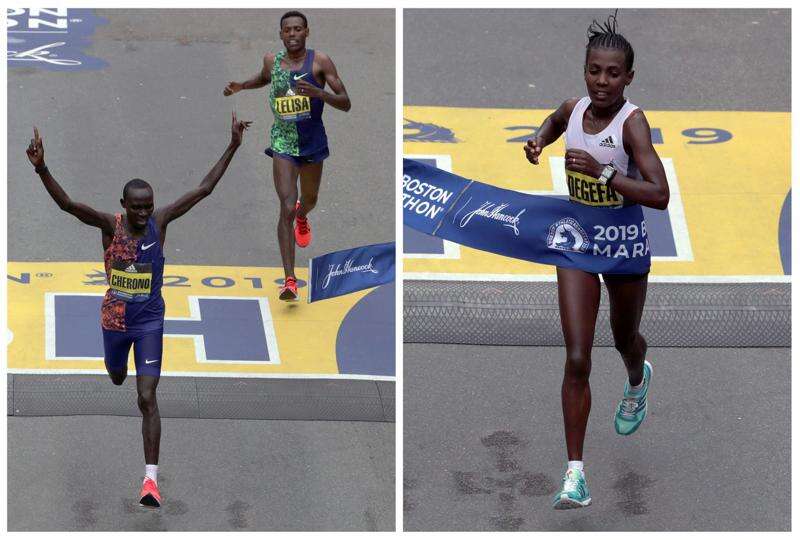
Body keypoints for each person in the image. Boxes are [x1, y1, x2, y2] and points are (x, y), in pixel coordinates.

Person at [26, 113, 252, 508]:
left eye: (148, 205)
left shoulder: (161, 222)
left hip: (149, 321)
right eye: (137, 207)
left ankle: (150, 481)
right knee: (117, 378)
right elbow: (66, 205)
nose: (145, 212)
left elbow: (203, 190)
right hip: (115, 320)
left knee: (146, 397)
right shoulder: (107, 225)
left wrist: (232, 145)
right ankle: (116, 365)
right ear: (123, 206)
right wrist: (42, 167)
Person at [523, 12, 669, 510]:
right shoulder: (574, 107)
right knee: (578, 356)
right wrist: (539, 140)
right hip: (579, 241)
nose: (601, 81)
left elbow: (660, 194)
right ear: (584, 71)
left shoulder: (633, 124)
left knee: (623, 339)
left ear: (629, 77)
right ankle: (575, 476)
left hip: (624, 243)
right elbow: (556, 120)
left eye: (612, 74)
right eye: (593, 71)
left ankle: (637, 378)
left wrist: (606, 175)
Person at [223, 10, 351, 301]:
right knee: (285, 207)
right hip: (282, 143)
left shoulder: (320, 62)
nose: (292, 34)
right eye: (287, 30)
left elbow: (346, 103)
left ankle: (303, 216)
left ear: (307, 32)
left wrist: (320, 94)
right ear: (281, 35)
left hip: (312, 142)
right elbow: (264, 77)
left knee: (308, 200)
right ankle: (290, 280)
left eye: (297, 29)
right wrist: (242, 85)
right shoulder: (273, 61)